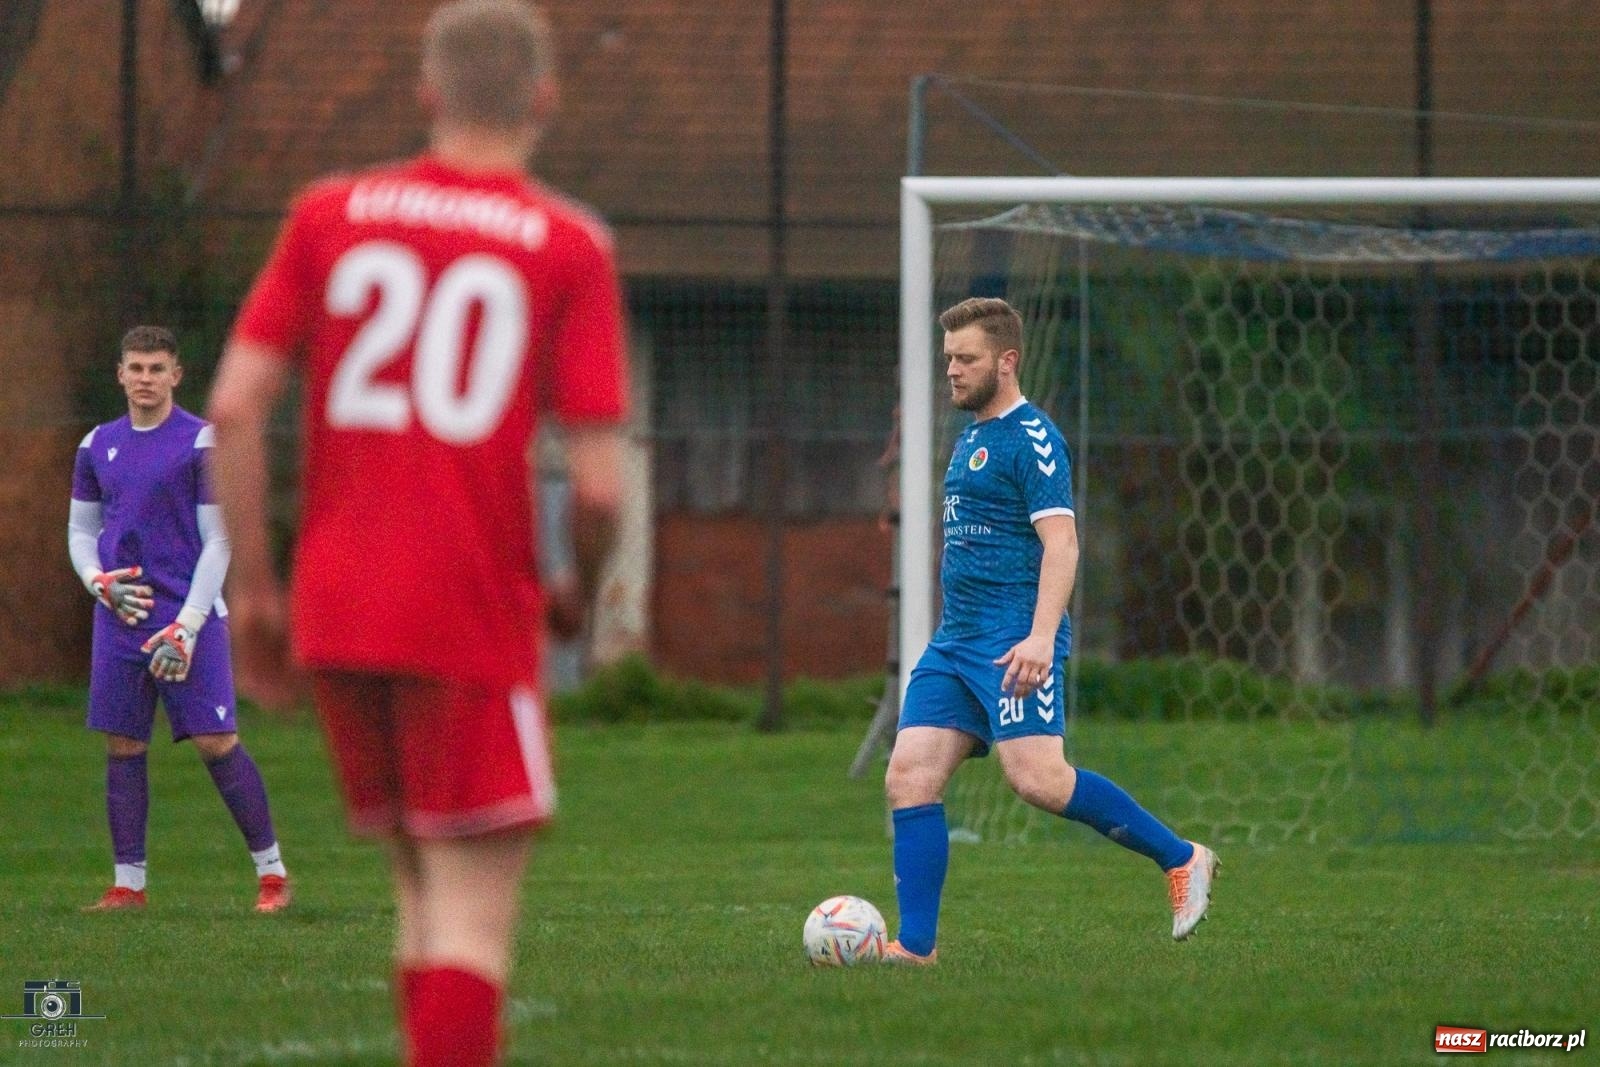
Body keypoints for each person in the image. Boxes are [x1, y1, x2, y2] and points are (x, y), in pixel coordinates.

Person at [205, 2, 626, 1063]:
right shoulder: (568, 244)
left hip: (340, 608)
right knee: (473, 915)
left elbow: (236, 408)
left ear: (427, 94)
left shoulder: (327, 213)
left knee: (419, 886)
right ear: (545, 99)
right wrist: (579, 579)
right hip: (467, 610)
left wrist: (255, 591)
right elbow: (605, 485)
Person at [882, 297, 1217, 964]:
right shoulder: (973, 435)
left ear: (1006, 361)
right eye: (948, 357)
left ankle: (1183, 857)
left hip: (1013, 640)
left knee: (1038, 779)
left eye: (966, 358)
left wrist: (1040, 637)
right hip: (955, 644)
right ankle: (916, 948)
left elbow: (1061, 544)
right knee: (909, 776)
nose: (952, 369)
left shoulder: (1035, 438)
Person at [68, 325, 291, 914]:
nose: (145, 379)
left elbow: (219, 541)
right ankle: (128, 886)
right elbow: (81, 532)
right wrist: (99, 584)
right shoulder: (96, 445)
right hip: (119, 613)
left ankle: (272, 877)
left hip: (187, 612)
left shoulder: (201, 443)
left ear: (176, 375)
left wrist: (188, 624)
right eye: (135, 368)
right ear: (120, 373)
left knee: (218, 742)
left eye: (156, 369)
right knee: (123, 745)